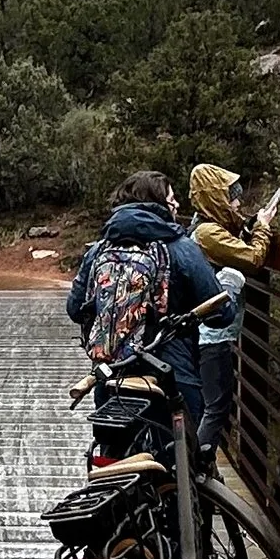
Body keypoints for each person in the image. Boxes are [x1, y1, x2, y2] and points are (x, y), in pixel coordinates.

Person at [65, 170, 224, 430]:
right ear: (160, 204)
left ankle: (111, 462)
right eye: (173, 200)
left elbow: (74, 309)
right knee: (181, 450)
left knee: (111, 450)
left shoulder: (99, 249)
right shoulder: (182, 248)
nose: (178, 205)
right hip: (170, 374)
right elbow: (222, 313)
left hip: (112, 373)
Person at [186, 161, 278, 468]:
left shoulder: (205, 227)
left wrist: (249, 226)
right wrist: (263, 228)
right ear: (216, 198)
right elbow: (251, 258)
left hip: (202, 332)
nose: (237, 202)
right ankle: (194, 471)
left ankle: (193, 469)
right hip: (210, 334)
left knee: (206, 405)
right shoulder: (208, 232)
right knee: (216, 406)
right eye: (231, 196)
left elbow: (234, 246)